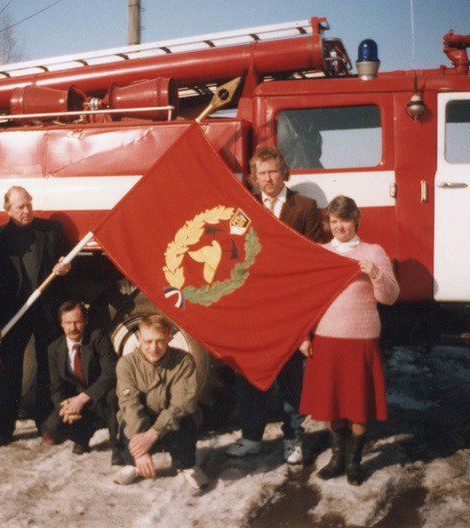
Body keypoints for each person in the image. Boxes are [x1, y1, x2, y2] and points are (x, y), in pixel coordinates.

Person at [226, 145, 324, 463]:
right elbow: (232, 250)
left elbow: (314, 259)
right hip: (253, 306)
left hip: (289, 304)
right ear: (254, 177)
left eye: (273, 171)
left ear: (284, 172)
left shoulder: (306, 207)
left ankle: (293, 438)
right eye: (261, 173)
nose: (268, 178)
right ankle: (251, 437)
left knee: (291, 375)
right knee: (250, 373)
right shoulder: (244, 207)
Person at [298, 195, 399, 485]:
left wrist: (377, 274)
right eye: (333, 221)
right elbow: (308, 300)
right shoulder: (320, 251)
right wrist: (304, 335)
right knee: (332, 403)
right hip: (327, 338)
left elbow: (390, 297)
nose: (339, 226)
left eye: (344, 220)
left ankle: (354, 463)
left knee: (357, 404)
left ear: (355, 220)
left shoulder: (373, 251)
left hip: (361, 339)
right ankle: (337, 459)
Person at [0, 186, 71, 448]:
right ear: (7, 210)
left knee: (47, 368)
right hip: (13, 314)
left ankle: (47, 425)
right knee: (10, 369)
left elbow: (68, 264)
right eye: (20, 207)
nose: (27, 210)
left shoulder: (52, 230)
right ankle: (3, 429)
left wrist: (66, 268)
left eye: (29, 204)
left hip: (46, 311)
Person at [112, 314, 208, 490]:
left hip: (172, 418)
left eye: (159, 341)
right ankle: (133, 463)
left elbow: (181, 404)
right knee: (128, 418)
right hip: (140, 419)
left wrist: (152, 435)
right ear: (139, 338)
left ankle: (186, 465)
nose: (153, 348)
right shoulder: (126, 364)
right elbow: (130, 405)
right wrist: (140, 452)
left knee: (185, 419)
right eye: (148, 341)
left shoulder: (184, 361)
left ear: (168, 337)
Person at [40, 300, 124, 464]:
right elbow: (56, 388)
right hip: (79, 400)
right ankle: (81, 438)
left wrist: (82, 398)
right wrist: (66, 409)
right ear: (62, 324)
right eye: (68, 323)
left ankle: (118, 447)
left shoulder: (97, 337)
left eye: (77, 322)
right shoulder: (54, 349)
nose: (73, 328)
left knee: (113, 396)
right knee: (52, 424)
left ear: (85, 321)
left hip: (102, 396)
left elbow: (110, 372)